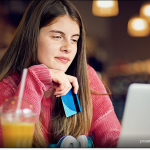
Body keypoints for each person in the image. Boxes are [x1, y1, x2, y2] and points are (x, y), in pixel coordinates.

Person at [0, 0, 121, 148]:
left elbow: (113, 138)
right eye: (57, 36)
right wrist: (35, 79)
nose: (68, 48)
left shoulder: (86, 76)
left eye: (74, 39)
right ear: (31, 37)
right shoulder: (7, 85)